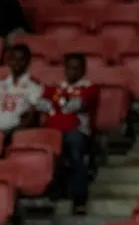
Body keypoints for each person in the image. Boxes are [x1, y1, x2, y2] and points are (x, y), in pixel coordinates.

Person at [40, 53, 100, 215]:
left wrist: (57, 104)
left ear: (83, 70)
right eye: (69, 68)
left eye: (76, 68)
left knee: (75, 152)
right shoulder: (56, 87)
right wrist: (60, 103)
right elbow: (41, 103)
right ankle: (48, 194)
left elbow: (77, 105)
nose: (72, 71)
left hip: (78, 131)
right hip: (54, 131)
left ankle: (79, 199)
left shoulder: (90, 87)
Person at [0, 44, 43, 135]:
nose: (17, 63)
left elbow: (32, 117)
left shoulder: (35, 86)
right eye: (14, 59)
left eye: (21, 59)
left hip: (18, 134)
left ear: (28, 62)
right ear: (9, 61)